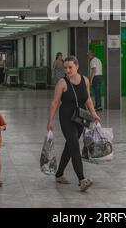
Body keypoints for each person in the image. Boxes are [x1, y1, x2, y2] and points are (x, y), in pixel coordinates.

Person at [47, 56, 100, 192]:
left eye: (70, 67)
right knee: (74, 145)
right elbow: (54, 103)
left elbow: (87, 98)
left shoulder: (85, 80)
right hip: (67, 117)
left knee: (70, 146)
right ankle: (82, 180)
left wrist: (93, 113)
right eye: (65, 68)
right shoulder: (62, 83)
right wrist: (50, 121)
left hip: (81, 117)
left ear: (77, 66)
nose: (67, 70)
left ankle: (59, 174)